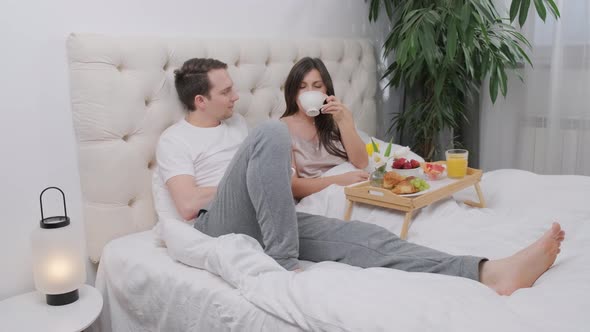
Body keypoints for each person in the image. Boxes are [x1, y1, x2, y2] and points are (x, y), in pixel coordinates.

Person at [153, 57, 565, 296]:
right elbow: (188, 204)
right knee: (273, 130)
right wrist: (250, 184)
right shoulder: (176, 140)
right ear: (200, 100)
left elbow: (281, 180)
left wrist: (269, 184)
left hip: (267, 216)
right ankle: (282, 263)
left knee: (370, 240)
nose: (236, 97)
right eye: (226, 92)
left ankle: (488, 272)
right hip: (218, 224)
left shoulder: (236, 127)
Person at [280, 57, 370, 200]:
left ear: (326, 90)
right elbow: (293, 187)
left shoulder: (337, 118)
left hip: (356, 187)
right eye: (302, 87)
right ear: (293, 92)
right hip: (323, 198)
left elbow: (362, 162)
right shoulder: (282, 129)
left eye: (317, 86)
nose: (310, 92)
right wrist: (339, 181)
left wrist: (344, 122)